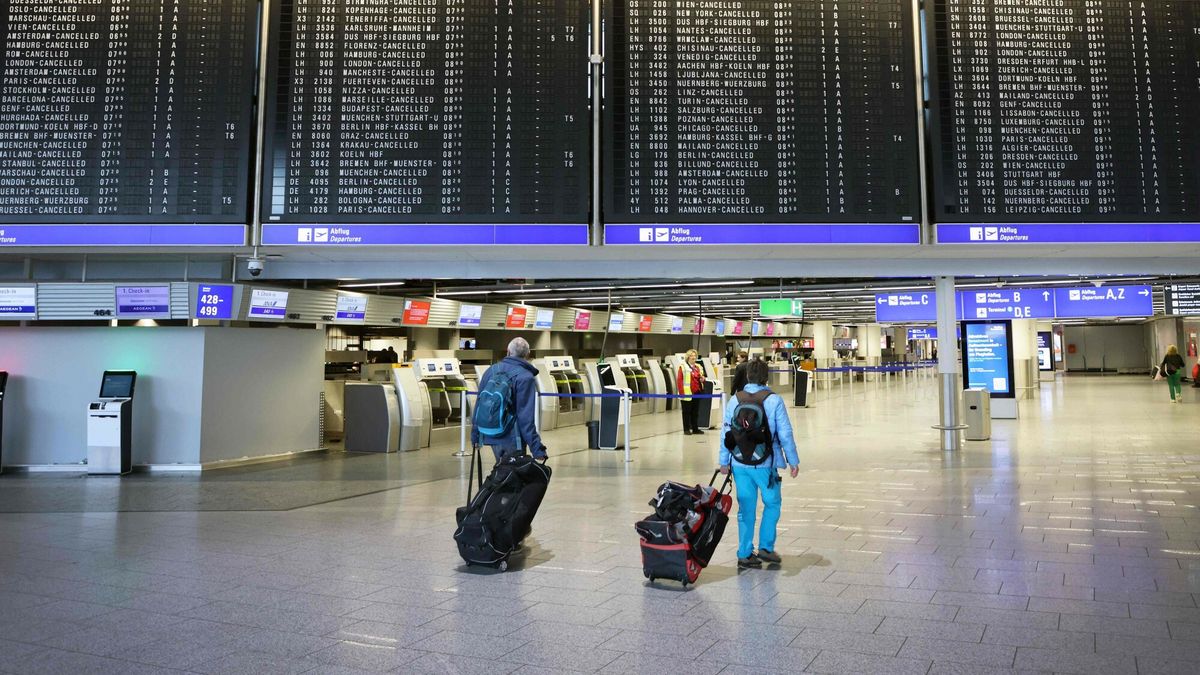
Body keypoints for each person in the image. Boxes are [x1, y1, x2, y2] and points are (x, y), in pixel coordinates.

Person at [719, 359, 800, 569]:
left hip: (739, 463)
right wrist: (793, 461)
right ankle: (765, 547)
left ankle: (745, 554)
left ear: (747, 376)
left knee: (745, 508)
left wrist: (723, 461)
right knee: (772, 503)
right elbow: (785, 434)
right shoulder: (774, 400)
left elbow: (726, 433)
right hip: (766, 464)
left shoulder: (734, 400)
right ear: (766, 377)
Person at [471, 337, 548, 461]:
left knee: (502, 472)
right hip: (513, 437)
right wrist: (536, 448)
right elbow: (525, 417)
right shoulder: (525, 377)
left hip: (490, 433)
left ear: (508, 351)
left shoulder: (491, 371)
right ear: (528, 354)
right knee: (513, 476)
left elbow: (479, 404)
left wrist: (475, 436)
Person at [676, 349, 706, 435]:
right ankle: (686, 429)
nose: (693, 357)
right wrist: (681, 393)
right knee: (686, 412)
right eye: (691, 356)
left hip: (697, 392)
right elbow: (679, 380)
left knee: (695, 411)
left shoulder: (698, 367)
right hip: (686, 393)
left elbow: (702, 377)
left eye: (694, 356)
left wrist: (703, 379)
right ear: (688, 357)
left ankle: (695, 428)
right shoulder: (683, 366)